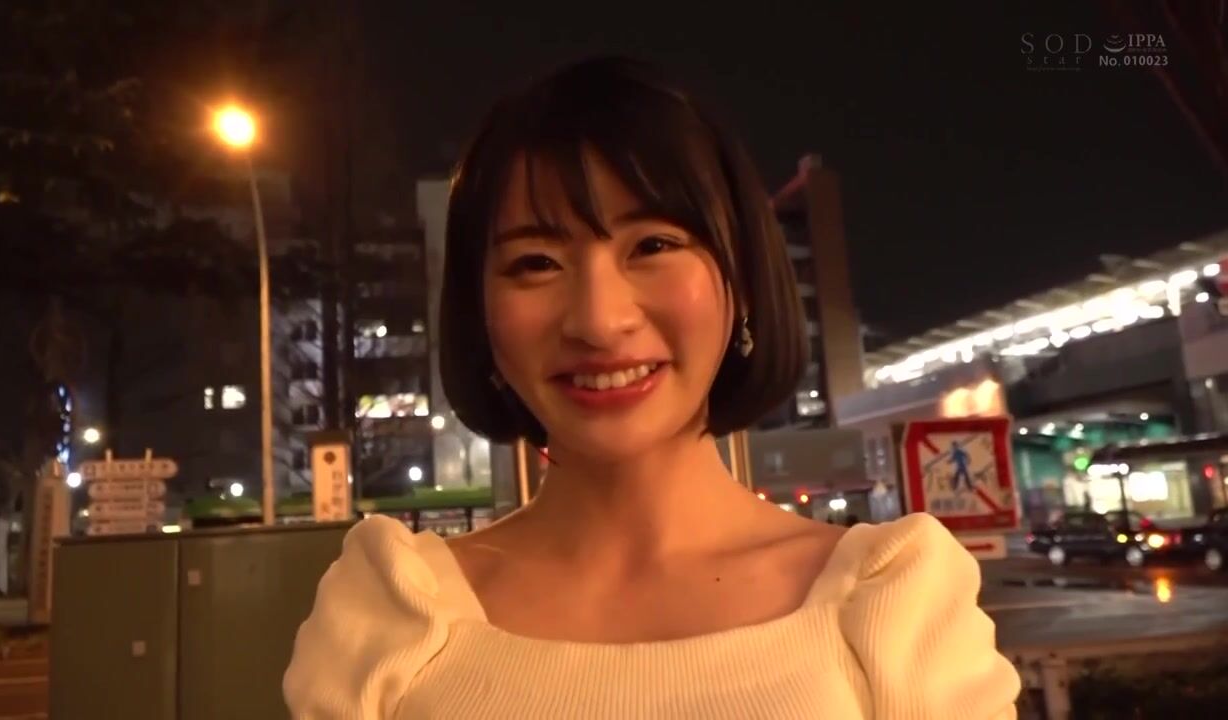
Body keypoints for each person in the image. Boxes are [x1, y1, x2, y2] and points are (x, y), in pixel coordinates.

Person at [283, 56, 1020, 719]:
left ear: (742, 281)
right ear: (480, 314)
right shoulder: (393, 615)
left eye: (654, 245)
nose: (599, 322)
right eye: (536, 262)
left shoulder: (889, 603)